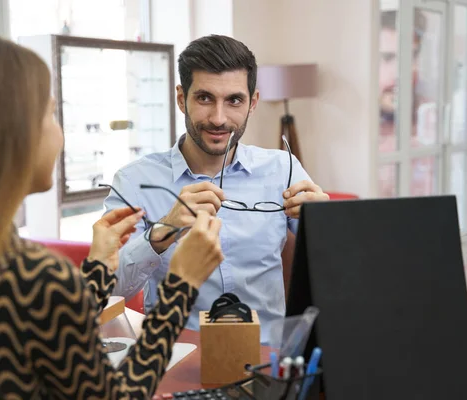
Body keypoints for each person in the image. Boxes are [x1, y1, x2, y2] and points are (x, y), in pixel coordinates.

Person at [0, 35, 223, 399]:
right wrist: (181, 286)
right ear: (7, 135)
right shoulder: (32, 277)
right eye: (49, 114)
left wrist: (97, 272)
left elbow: (40, 332)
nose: (58, 133)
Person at [103, 35, 329, 344]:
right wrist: (162, 230)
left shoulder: (283, 169)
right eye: (205, 98)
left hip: (268, 361)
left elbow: (338, 270)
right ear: (182, 99)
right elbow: (108, 290)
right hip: (174, 359)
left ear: (253, 102)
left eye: (234, 100)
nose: (219, 119)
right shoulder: (134, 181)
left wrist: (328, 224)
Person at [379, 9, 436, 197]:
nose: (399, 73)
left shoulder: (431, 116)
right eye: (387, 58)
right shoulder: (357, 131)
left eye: (409, 57)